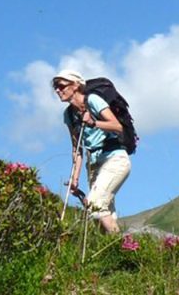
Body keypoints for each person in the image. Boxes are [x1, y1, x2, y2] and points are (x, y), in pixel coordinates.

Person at [53, 69, 131, 234]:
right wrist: (74, 179)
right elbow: (77, 149)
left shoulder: (93, 101)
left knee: (95, 206)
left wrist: (94, 123)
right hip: (93, 164)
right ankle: (114, 253)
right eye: (55, 87)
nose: (57, 90)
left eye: (61, 86)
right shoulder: (69, 114)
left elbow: (117, 127)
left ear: (75, 85)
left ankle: (123, 249)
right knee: (103, 215)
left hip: (114, 158)